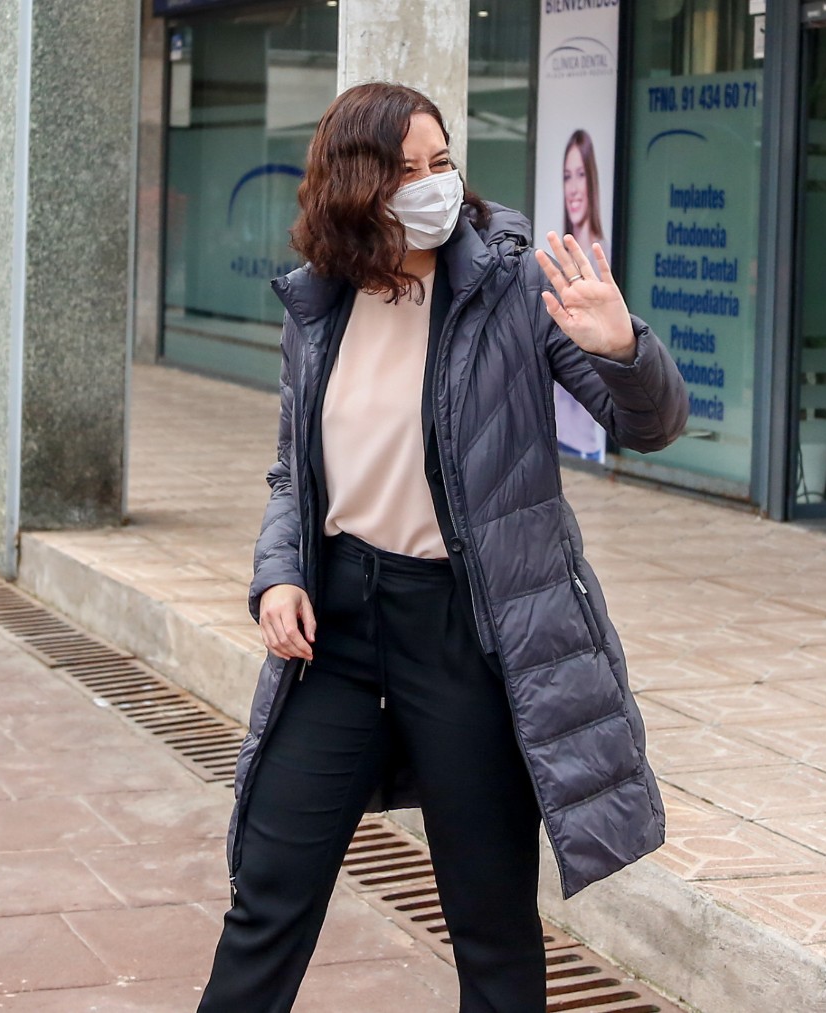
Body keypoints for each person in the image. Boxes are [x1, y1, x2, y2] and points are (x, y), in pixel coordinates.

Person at [197, 83, 687, 1013]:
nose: (433, 186)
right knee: (269, 886)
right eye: (406, 170)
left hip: (466, 627)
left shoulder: (510, 284)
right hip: (335, 628)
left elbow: (651, 424)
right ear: (353, 187)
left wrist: (625, 347)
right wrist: (279, 574)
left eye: (441, 162)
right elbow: (290, 475)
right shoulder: (321, 304)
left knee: (491, 919)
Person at [561, 129, 607, 258]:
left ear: (592, 180)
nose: (573, 189)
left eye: (581, 174)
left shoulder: (603, 255)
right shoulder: (560, 258)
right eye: (567, 176)